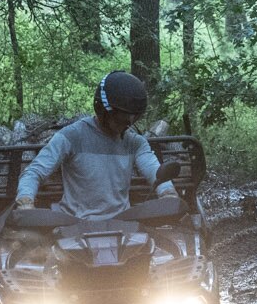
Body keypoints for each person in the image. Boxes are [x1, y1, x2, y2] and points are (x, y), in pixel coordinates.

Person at [13, 71, 176, 220]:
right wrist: (26, 202)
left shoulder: (135, 142)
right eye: (121, 119)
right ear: (102, 109)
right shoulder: (72, 136)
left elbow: (155, 170)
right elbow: (34, 172)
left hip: (122, 224)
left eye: (131, 120)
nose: (127, 125)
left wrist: (168, 193)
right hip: (74, 224)